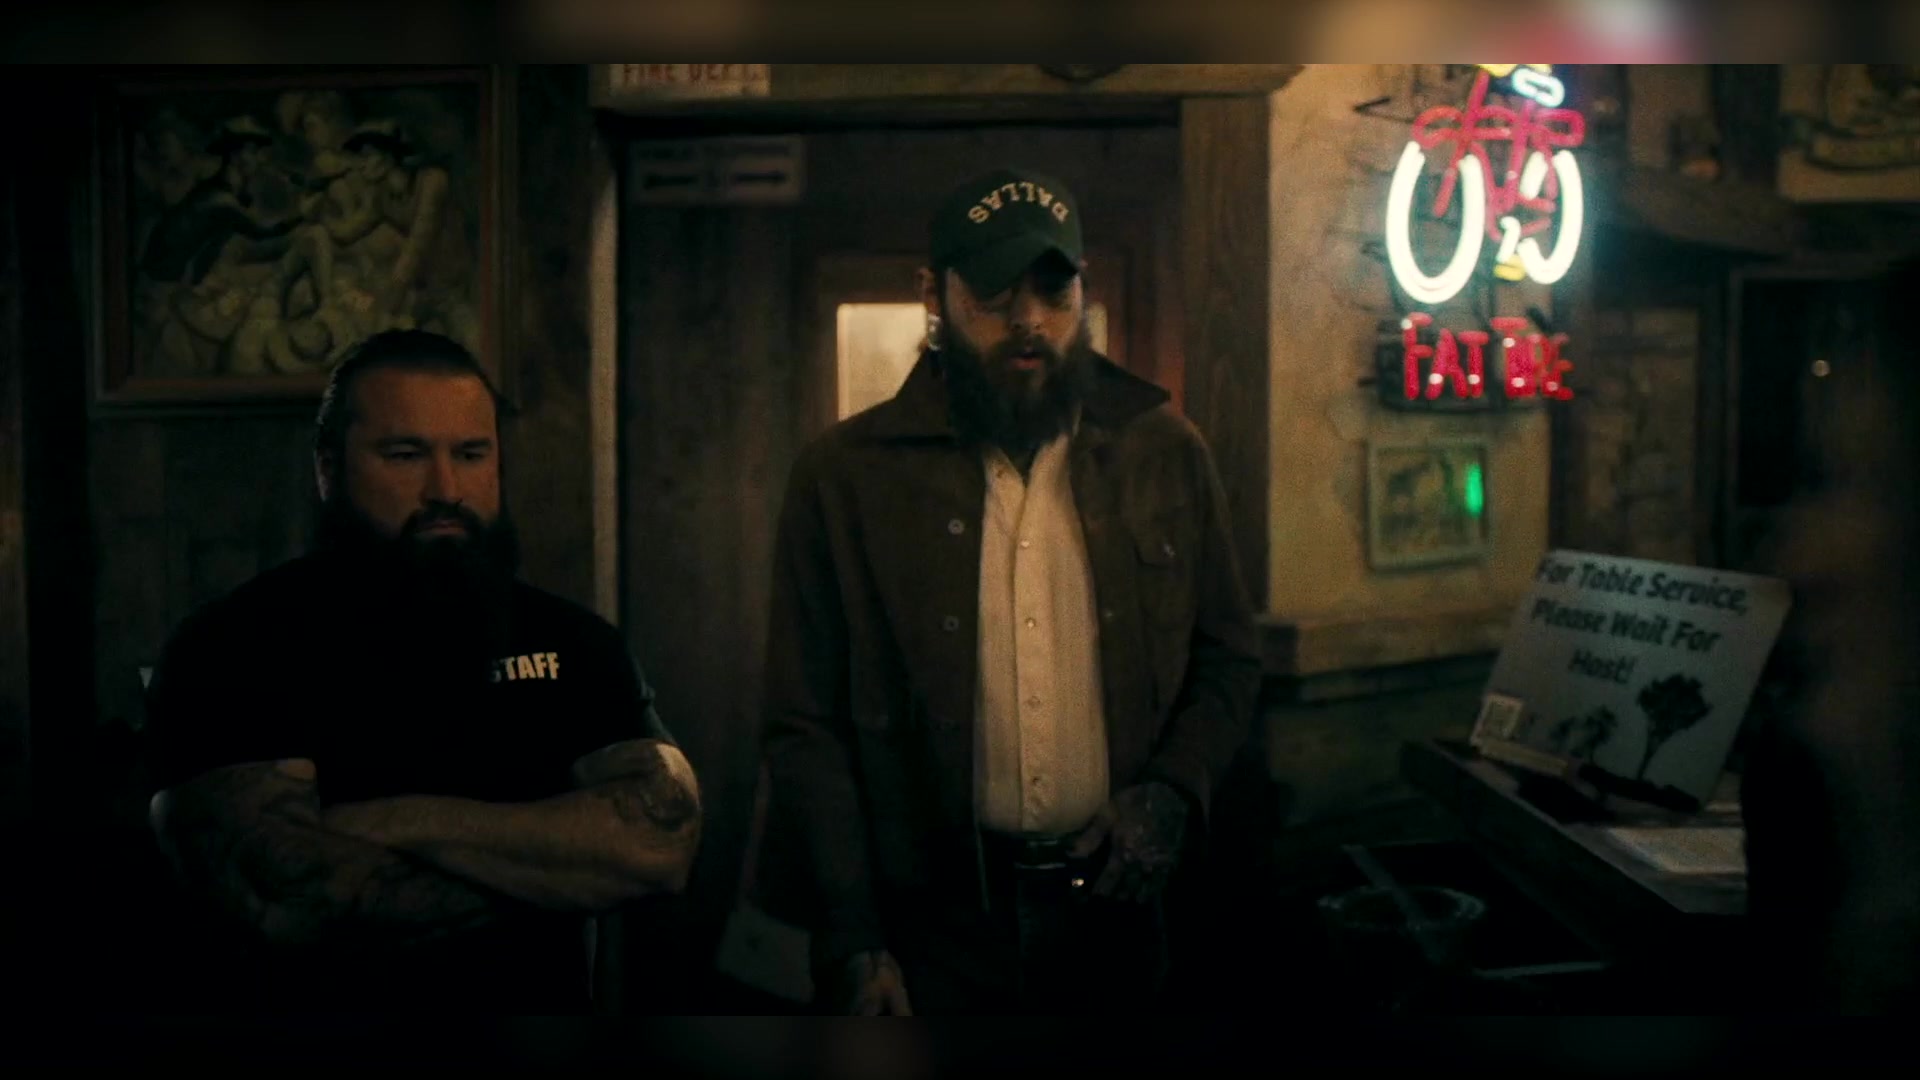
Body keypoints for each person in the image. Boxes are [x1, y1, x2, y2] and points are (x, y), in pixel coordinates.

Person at [762, 167, 1262, 1014]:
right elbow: (804, 722)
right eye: (994, 295)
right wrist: (853, 932)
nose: (1028, 320)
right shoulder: (844, 479)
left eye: (1053, 293)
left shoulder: (1164, 452)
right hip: (935, 927)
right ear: (935, 295)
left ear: (1083, 292)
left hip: (1124, 908)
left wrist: (1176, 789)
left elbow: (1229, 658)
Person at [144, 329, 700, 1013]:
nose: (446, 489)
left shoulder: (575, 643)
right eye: (405, 455)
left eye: (471, 454)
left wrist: (383, 822)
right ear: (329, 468)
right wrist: (565, 869)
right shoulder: (233, 647)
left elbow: (660, 839)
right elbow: (286, 894)